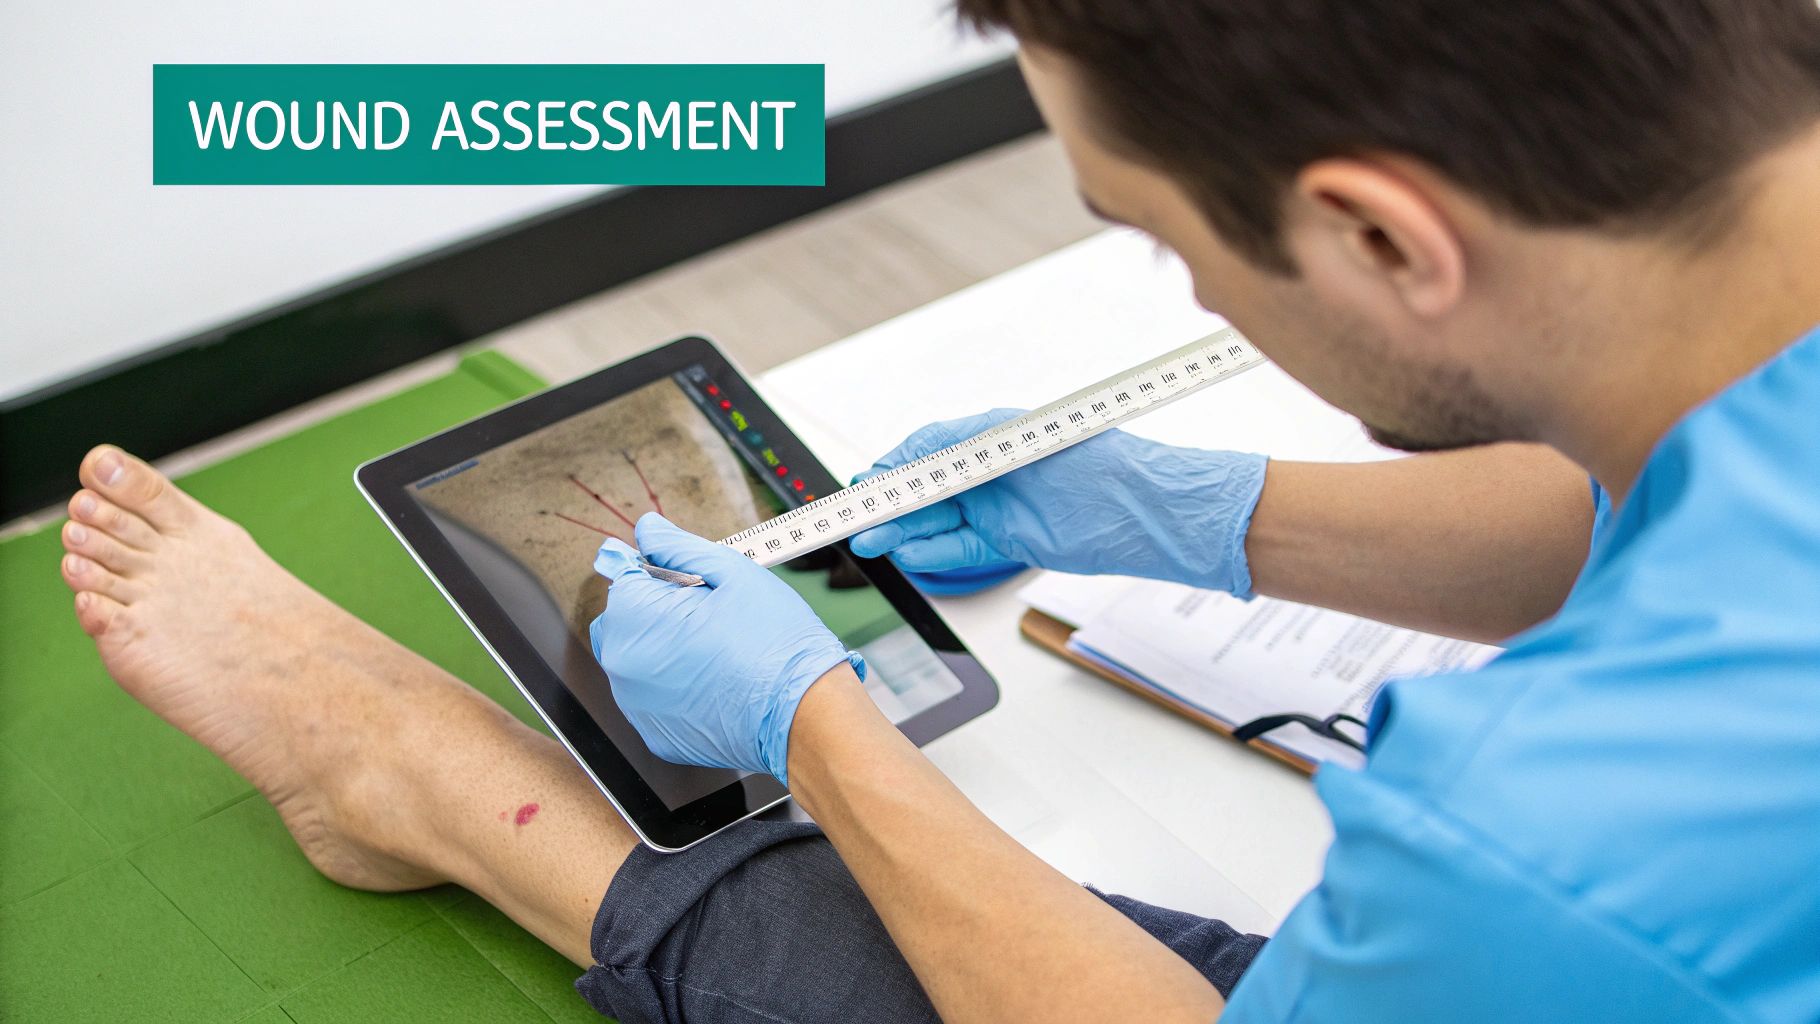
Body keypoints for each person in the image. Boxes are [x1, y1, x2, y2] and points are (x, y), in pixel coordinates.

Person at [55, 0, 1820, 1020]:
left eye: (1157, 232)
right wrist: (1200, 512)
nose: (1188, 296)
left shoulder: (1551, 834)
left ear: (1377, 235)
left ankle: (432, 783)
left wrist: (807, 719)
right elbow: (1693, 487)